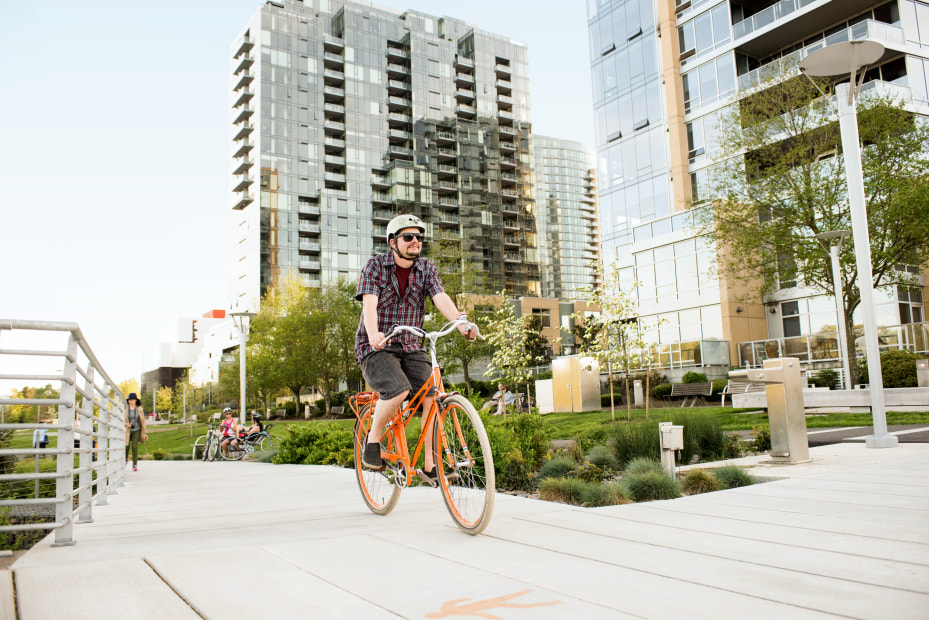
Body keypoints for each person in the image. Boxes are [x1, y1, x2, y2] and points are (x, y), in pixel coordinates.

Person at [355, 214, 475, 482]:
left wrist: (460, 323)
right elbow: (369, 304)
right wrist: (374, 334)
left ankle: (431, 466)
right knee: (398, 391)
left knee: (431, 396)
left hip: (411, 344)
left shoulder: (426, 269)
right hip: (378, 347)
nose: (415, 241)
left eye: (419, 237)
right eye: (408, 237)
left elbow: (440, 297)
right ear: (393, 242)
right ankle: (372, 442)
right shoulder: (375, 266)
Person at [124, 393, 148, 471]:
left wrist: (144, 433)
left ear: (136, 400)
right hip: (128, 430)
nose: (132, 401)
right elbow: (120, 419)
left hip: (136, 429)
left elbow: (143, 421)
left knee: (134, 446)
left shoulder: (139, 409)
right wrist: (126, 424)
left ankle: (134, 464)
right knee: (126, 446)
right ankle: (125, 459)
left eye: (133, 400)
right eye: (130, 400)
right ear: (128, 401)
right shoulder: (125, 409)